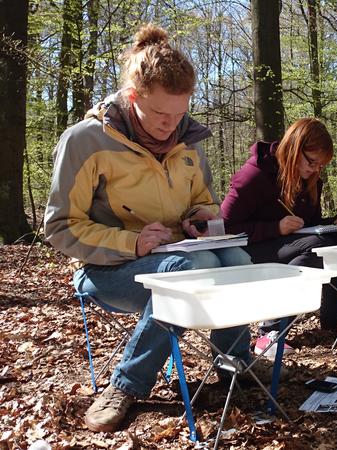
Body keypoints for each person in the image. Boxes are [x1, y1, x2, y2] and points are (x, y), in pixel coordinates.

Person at [44, 24, 264, 433]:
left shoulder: (188, 142)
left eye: (179, 114)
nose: (170, 126)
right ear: (132, 98)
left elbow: (206, 202)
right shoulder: (87, 141)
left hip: (183, 257)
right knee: (184, 275)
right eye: (160, 114)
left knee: (236, 259)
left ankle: (235, 363)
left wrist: (200, 220)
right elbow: (60, 227)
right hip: (108, 269)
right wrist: (132, 241)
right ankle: (126, 385)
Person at [221, 118, 337, 332]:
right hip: (249, 249)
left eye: (320, 165)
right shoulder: (254, 175)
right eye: (311, 162)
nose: (315, 170)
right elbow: (225, 228)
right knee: (316, 246)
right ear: (294, 149)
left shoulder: (311, 180)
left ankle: (333, 322)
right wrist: (276, 228)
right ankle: (272, 328)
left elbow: (309, 224)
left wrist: (335, 222)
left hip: (289, 245)